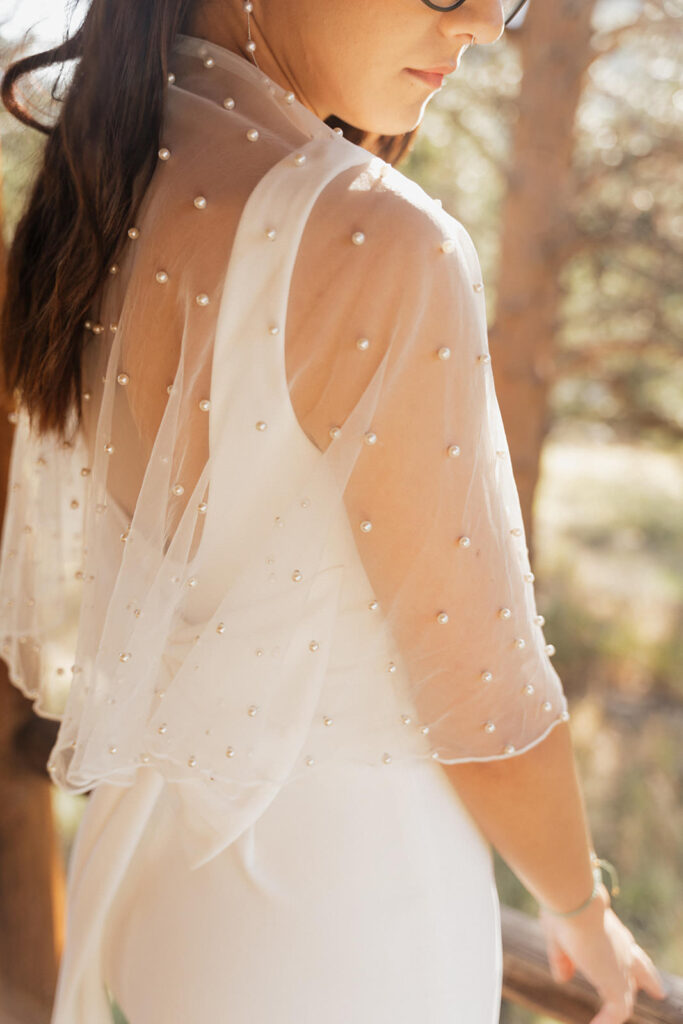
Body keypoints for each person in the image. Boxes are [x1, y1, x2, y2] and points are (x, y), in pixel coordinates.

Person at [0, 1, 667, 1022]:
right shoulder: (380, 240)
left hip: (155, 891)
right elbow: (485, 704)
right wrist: (579, 908)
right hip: (342, 931)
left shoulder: (106, 180)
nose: (486, 26)